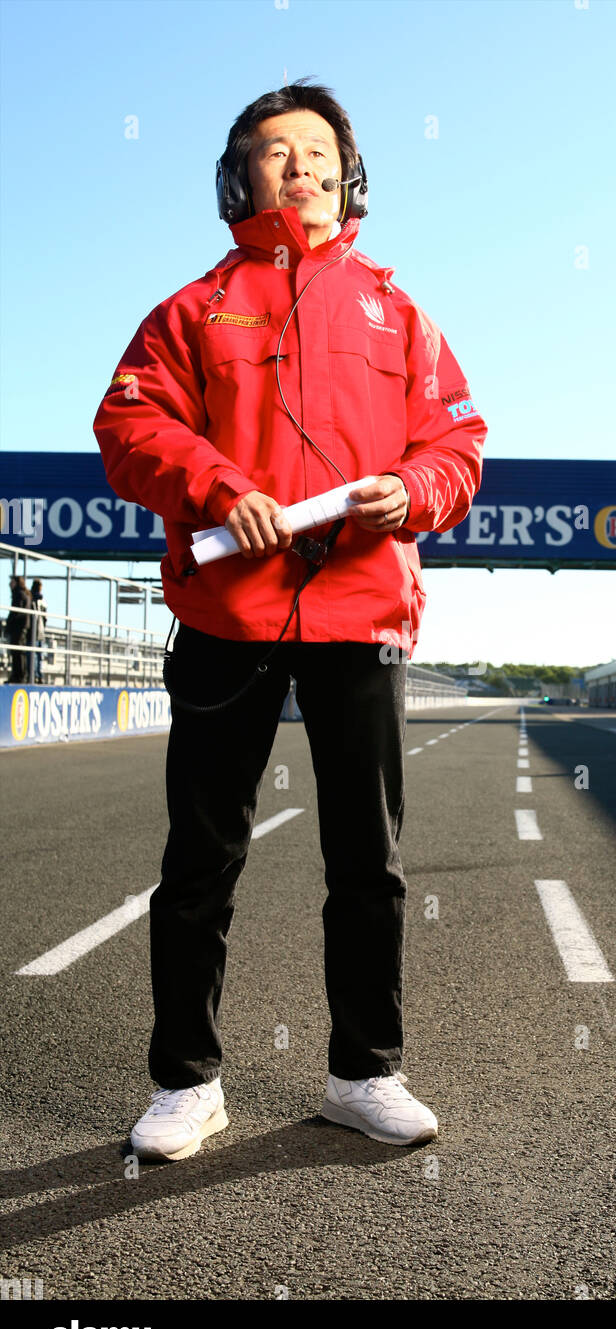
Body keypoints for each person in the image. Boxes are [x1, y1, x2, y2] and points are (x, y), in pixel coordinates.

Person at [93, 79, 487, 1161]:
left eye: (316, 150)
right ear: (240, 175)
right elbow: (128, 424)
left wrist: (411, 494)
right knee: (202, 854)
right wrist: (221, 488)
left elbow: (458, 446)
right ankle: (186, 1083)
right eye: (273, 151)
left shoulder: (400, 313)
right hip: (228, 610)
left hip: (362, 610)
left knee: (368, 859)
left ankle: (363, 1072)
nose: (297, 166)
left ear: (347, 177)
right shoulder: (190, 310)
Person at [4, 576, 32, 684]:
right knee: (20, 653)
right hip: (22, 627)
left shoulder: (18, 594)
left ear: (16, 583)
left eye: (11, 582)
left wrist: (9, 624)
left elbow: (16, 612)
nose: (9, 584)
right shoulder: (24, 594)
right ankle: (20, 676)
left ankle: (18, 677)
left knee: (17, 653)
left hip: (18, 627)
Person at [29, 579, 47, 683]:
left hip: (37, 631)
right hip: (38, 631)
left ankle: (37, 676)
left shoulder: (37, 600)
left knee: (37, 655)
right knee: (37, 655)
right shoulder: (39, 600)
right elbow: (45, 617)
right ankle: (37, 676)